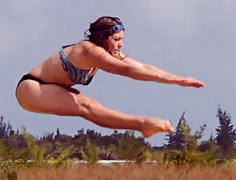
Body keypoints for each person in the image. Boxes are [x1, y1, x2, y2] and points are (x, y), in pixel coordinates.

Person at [15, 16, 204, 138]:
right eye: (116, 40)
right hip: (32, 89)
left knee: (93, 105)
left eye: (122, 39)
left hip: (52, 88)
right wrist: (178, 81)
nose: (121, 45)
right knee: (87, 107)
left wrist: (179, 80)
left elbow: (141, 67)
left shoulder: (107, 52)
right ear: (102, 38)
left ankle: (143, 124)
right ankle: (142, 124)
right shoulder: (90, 51)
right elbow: (126, 71)